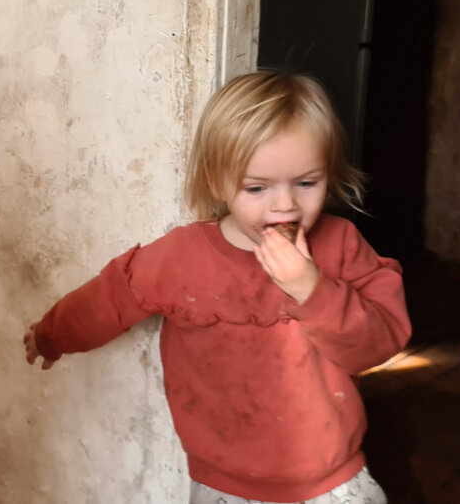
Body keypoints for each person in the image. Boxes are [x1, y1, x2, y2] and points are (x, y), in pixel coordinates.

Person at [24, 71, 409, 504]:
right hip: (225, 483)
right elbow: (108, 298)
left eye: (306, 183)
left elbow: (378, 343)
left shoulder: (341, 245)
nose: (285, 205)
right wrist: (52, 334)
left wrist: (311, 288)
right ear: (216, 182)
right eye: (257, 188)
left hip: (332, 479)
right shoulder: (180, 257)